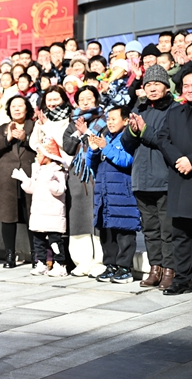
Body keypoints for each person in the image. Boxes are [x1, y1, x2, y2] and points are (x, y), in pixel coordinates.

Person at [122, 65, 176, 290]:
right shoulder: (139, 108)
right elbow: (126, 144)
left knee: (168, 229)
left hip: (164, 179)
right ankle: (155, 268)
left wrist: (144, 131)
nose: (152, 89)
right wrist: (132, 131)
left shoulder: (175, 110)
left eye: (157, 84)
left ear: (166, 87)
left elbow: (168, 141)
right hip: (141, 179)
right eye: (149, 85)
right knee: (150, 229)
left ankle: (170, 270)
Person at [88, 106, 141, 283]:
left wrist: (105, 147)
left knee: (124, 230)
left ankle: (125, 268)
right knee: (107, 232)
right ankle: (110, 265)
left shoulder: (127, 138)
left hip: (122, 194)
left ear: (125, 121)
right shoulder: (106, 138)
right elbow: (92, 165)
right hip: (105, 193)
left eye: (113, 119)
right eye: (108, 119)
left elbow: (126, 161)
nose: (109, 122)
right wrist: (94, 150)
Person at [62, 86, 107, 276]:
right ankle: (81, 261)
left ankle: (99, 261)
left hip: (97, 171)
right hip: (78, 174)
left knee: (96, 216)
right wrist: (79, 133)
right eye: (82, 99)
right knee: (78, 217)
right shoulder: (73, 122)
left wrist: (87, 132)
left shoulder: (105, 120)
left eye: (89, 98)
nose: (86, 102)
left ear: (97, 99)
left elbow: (102, 144)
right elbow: (67, 146)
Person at [156, 71, 192, 295]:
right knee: (180, 234)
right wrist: (179, 159)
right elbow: (163, 138)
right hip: (180, 177)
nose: (189, 88)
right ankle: (183, 280)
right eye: (186, 85)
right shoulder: (175, 112)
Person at [0, 96, 36, 268]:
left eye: (20, 106)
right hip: (7, 178)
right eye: (13, 106)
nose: (16, 109)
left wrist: (26, 138)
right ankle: (9, 254)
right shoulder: (3, 128)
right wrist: (7, 138)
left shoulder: (34, 126)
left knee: (32, 215)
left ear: (27, 108)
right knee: (7, 217)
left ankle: (36, 254)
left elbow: (42, 145)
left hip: (29, 174)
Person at [14, 138, 70, 277]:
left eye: (39, 153)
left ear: (47, 155)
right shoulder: (38, 170)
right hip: (39, 212)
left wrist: (50, 181)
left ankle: (60, 264)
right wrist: (24, 180)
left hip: (53, 213)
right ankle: (41, 263)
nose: (36, 156)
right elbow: (33, 188)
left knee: (55, 241)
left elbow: (60, 190)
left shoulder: (58, 171)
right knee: (38, 240)